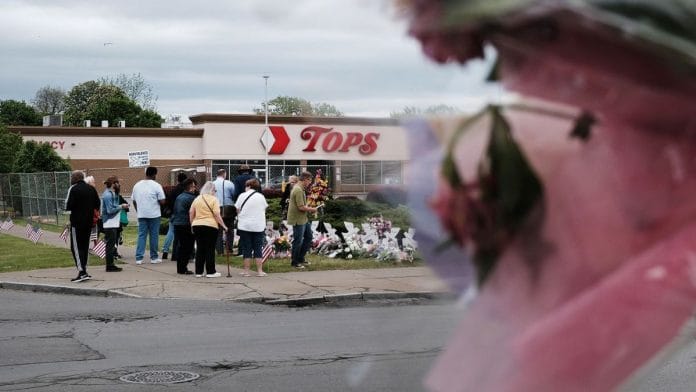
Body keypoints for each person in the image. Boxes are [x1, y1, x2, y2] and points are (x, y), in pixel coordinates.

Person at [65, 170, 101, 282]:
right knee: (85, 247)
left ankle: (82, 272)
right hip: (89, 223)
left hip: (77, 223)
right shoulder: (91, 189)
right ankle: (84, 269)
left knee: (75, 247)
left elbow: (68, 206)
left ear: (75, 178)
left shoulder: (74, 189)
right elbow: (98, 204)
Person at [190, 181, 228, 277]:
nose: (215, 192)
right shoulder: (214, 199)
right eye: (215, 190)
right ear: (211, 190)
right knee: (210, 249)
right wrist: (223, 226)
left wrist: (192, 224)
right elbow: (216, 215)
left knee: (200, 248)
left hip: (197, 225)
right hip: (210, 226)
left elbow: (191, 212)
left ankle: (199, 272)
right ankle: (211, 271)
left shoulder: (197, 198)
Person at [131, 166, 166, 265]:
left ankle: (139, 258)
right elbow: (162, 201)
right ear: (154, 174)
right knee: (154, 236)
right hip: (154, 214)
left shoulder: (137, 185)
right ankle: (154, 257)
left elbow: (133, 200)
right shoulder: (156, 185)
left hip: (142, 214)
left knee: (142, 235)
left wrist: (138, 210)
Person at [235, 178, 268, 277]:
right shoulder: (261, 197)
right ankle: (259, 271)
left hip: (245, 226)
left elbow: (237, 209)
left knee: (246, 248)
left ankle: (246, 271)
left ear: (249, 186)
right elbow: (264, 208)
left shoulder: (242, 196)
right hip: (258, 226)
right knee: (258, 248)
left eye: (246, 186)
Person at [287, 171, 319, 269]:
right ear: (305, 179)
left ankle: (300, 258)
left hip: (303, 218)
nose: (310, 183)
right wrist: (312, 209)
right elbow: (301, 207)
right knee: (298, 240)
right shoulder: (298, 190)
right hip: (298, 219)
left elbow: (302, 206)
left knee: (309, 237)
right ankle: (295, 262)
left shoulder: (299, 188)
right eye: (309, 181)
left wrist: (308, 208)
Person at [100, 176, 128, 272]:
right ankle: (109, 265)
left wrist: (120, 206)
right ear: (113, 184)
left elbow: (113, 207)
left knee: (112, 245)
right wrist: (121, 206)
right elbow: (110, 210)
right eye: (117, 183)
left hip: (112, 222)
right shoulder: (108, 195)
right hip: (109, 223)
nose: (119, 184)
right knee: (110, 245)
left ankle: (111, 264)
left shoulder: (111, 194)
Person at [171, 178, 198, 274]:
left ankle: (180, 268)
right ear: (191, 187)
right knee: (188, 247)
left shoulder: (180, 196)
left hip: (177, 223)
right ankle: (183, 268)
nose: (195, 188)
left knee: (181, 246)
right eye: (194, 186)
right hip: (186, 224)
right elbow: (194, 212)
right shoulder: (192, 198)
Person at [162, 171, 188, 261]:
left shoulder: (174, 190)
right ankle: (177, 253)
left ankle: (165, 251)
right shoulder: (185, 191)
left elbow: (168, 202)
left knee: (171, 232)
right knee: (180, 235)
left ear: (178, 180)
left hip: (173, 213)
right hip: (182, 215)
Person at [213, 169, 235, 255]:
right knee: (230, 229)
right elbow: (234, 194)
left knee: (218, 230)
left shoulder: (212, 184)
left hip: (217, 207)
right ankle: (229, 249)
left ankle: (219, 251)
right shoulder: (229, 183)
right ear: (224, 174)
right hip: (228, 207)